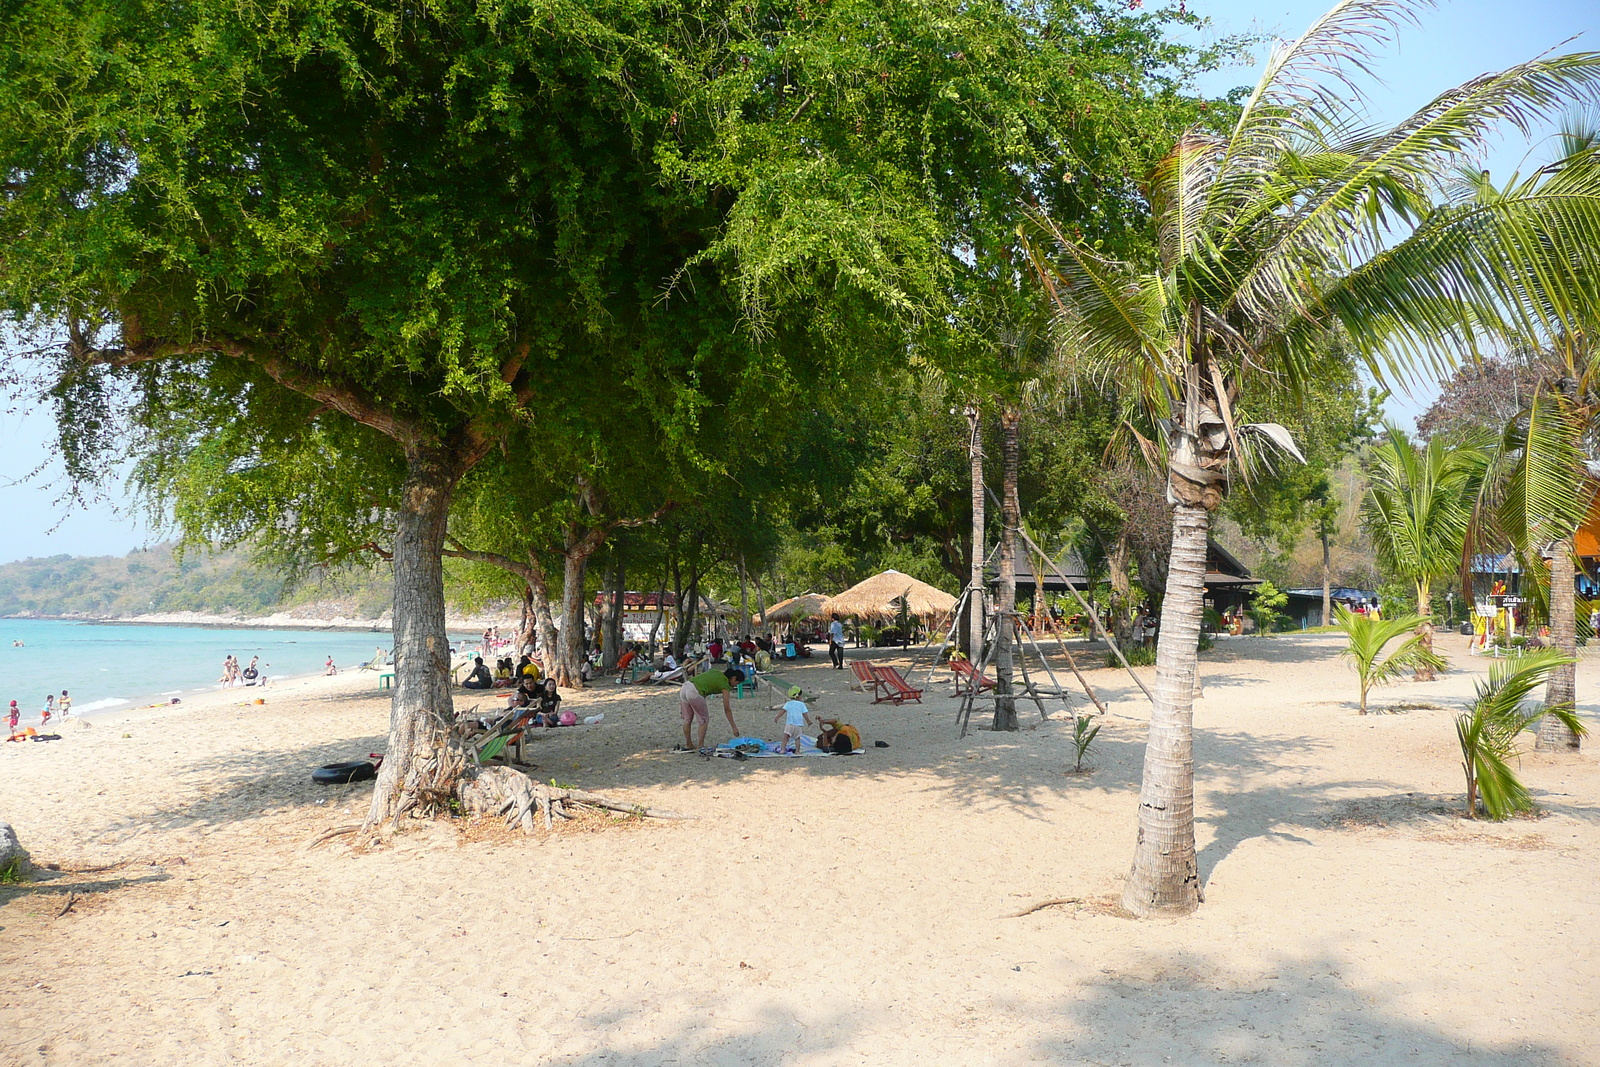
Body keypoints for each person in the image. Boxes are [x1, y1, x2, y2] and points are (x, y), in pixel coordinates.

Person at [677, 666, 744, 752]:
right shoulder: (725, 684)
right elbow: (727, 709)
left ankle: (688, 744)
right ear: (733, 678)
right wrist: (734, 727)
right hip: (695, 692)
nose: (735, 686)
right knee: (703, 719)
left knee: (687, 719)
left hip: (685, 687)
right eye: (737, 683)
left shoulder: (716, 671)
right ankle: (700, 746)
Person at [773, 685, 812, 755]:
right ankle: (797, 751)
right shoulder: (802, 704)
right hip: (798, 725)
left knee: (785, 737)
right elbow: (805, 714)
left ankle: (783, 749)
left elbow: (782, 711)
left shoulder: (788, 704)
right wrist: (808, 721)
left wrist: (777, 717)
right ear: (798, 696)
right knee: (797, 739)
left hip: (790, 724)